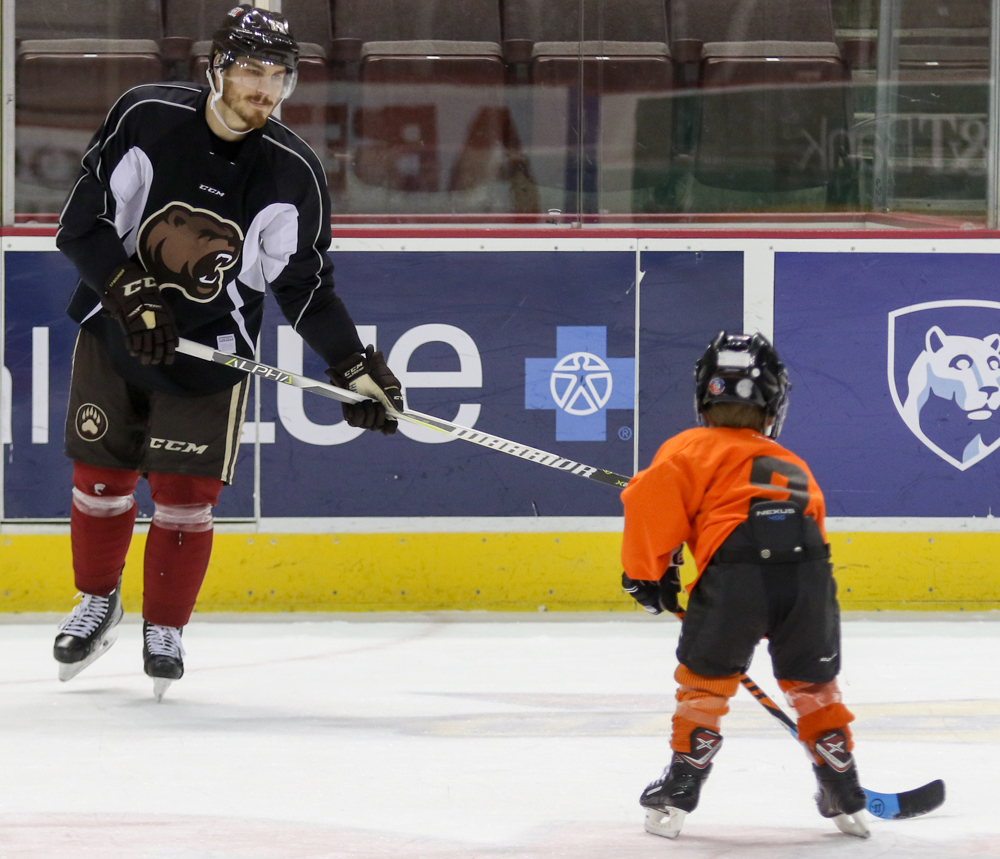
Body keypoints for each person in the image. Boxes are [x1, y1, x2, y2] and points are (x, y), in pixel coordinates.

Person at [52, 5, 403, 701]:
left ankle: (165, 625)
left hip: (210, 353)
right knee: (100, 481)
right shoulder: (146, 117)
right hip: (115, 329)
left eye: (278, 77)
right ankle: (98, 600)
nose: (264, 90)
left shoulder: (292, 173)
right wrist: (128, 294)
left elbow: (303, 289)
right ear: (215, 68)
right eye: (250, 71)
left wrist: (353, 366)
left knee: (184, 501)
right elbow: (77, 227)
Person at [619, 332, 868, 839]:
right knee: (813, 685)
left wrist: (646, 574)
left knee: (705, 681)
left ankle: (683, 782)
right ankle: (840, 777)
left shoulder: (686, 448)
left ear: (704, 396)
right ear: (774, 400)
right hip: (809, 579)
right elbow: (808, 527)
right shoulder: (791, 462)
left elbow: (650, 510)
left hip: (735, 579)